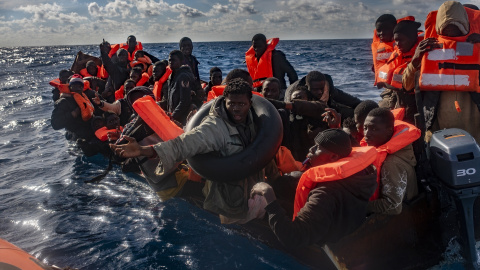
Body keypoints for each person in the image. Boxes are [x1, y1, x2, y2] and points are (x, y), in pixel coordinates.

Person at [111, 78, 270, 224]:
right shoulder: (215, 127)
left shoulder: (255, 119)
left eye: (241, 104)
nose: (236, 109)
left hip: (254, 183)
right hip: (229, 197)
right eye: (231, 104)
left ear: (249, 103)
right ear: (224, 101)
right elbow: (181, 145)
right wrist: (143, 150)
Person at [250, 129, 377, 248]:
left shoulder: (325, 194)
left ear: (334, 157)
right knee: (290, 180)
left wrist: (269, 195)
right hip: (343, 218)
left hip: (324, 233)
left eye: (317, 148)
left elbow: (293, 237)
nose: (311, 149)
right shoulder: (362, 171)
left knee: (271, 202)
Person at [403, 1, 480, 143]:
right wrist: (415, 59)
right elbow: (407, 85)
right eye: (446, 28)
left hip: (475, 134)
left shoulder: (477, 46)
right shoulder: (428, 48)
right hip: (437, 133)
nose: (451, 32)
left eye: (456, 28)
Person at [362, 108, 419, 215]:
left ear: (389, 131)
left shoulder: (392, 164)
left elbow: (393, 206)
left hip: (406, 215)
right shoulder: (399, 150)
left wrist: (359, 208)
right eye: (365, 128)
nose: (367, 134)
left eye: (374, 129)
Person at [376, 20, 423, 123]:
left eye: (401, 40)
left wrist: (386, 84)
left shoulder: (422, 55)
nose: (397, 44)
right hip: (399, 100)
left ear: (412, 39)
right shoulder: (397, 53)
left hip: (418, 104)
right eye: (396, 40)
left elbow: (408, 86)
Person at [285, 71, 361, 121]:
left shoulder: (330, 89)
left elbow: (354, 101)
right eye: (315, 89)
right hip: (300, 116)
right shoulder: (297, 94)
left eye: (322, 89)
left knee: (353, 112)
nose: (320, 92)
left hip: (327, 109)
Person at [51, 76, 95, 141]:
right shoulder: (63, 102)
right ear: (70, 87)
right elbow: (55, 124)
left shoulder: (86, 98)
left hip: (89, 131)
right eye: (74, 86)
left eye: (80, 86)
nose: (77, 88)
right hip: (75, 135)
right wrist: (73, 114)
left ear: (82, 87)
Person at [160, 50, 195, 126]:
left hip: (180, 119)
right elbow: (168, 99)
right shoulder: (171, 77)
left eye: (174, 60)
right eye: (169, 60)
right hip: (171, 115)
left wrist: (173, 117)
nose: (171, 62)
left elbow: (185, 101)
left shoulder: (183, 77)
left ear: (181, 61)